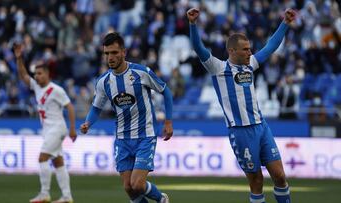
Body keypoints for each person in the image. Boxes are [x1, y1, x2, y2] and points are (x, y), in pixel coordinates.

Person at [187, 7, 297, 203]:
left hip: (261, 126)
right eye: (245, 49)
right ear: (232, 50)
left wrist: (285, 23)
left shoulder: (250, 64)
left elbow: (271, 46)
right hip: (240, 131)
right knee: (256, 181)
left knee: (280, 176)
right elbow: (198, 48)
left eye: (249, 48)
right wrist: (193, 25)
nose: (250, 52)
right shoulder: (217, 68)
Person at [80, 32, 173, 203]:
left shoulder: (141, 72)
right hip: (122, 138)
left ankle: (161, 199)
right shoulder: (103, 82)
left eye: (114, 52)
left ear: (123, 52)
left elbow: (166, 91)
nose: (110, 57)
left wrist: (168, 122)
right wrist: (88, 122)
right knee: (129, 188)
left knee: (137, 184)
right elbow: (96, 108)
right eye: (107, 53)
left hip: (145, 135)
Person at [13, 43, 77, 203]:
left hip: (57, 128)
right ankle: (67, 196)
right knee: (58, 162)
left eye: (40, 73)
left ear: (47, 74)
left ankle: (44, 193)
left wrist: (72, 129)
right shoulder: (36, 87)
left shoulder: (56, 89)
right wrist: (19, 58)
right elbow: (23, 75)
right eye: (35, 73)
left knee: (42, 158)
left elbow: (69, 106)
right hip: (48, 130)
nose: (36, 76)